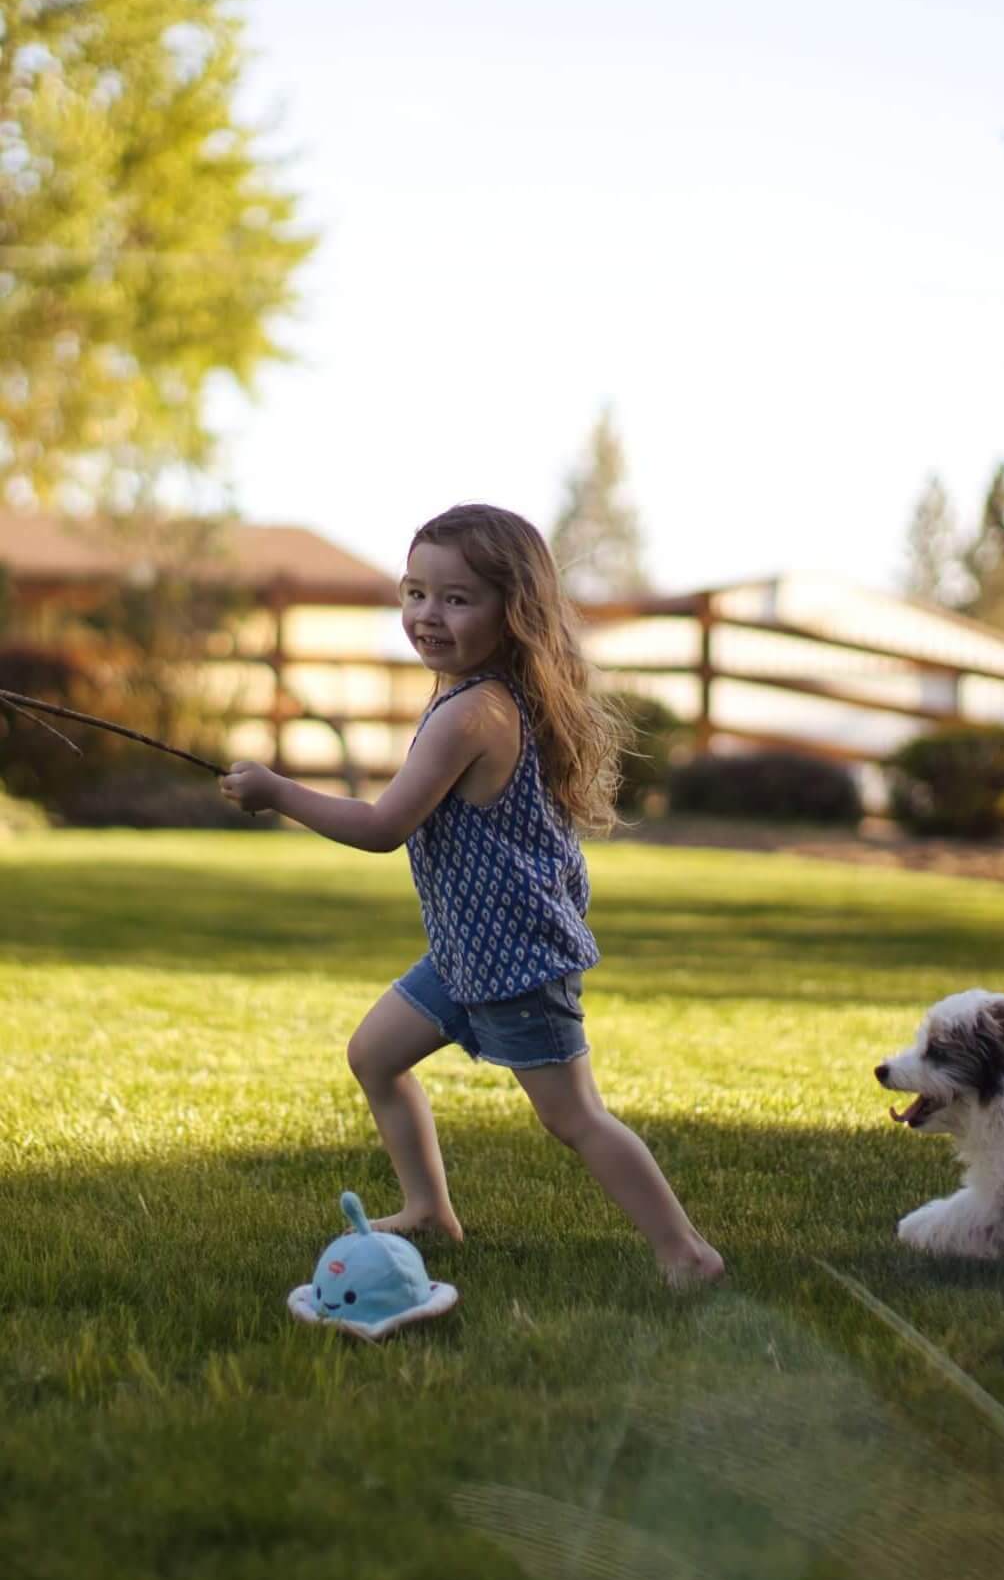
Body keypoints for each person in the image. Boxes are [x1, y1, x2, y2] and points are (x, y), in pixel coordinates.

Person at [220, 503, 724, 1287]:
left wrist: (278, 792)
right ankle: (428, 1210)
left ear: (512, 612)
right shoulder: (471, 693)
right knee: (375, 1056)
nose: (428, 615)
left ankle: (686, 1254)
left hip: (516, 960)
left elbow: (385, 826)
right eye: (415, 592)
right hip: (467, 952)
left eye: (456, 598)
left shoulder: (473, 712)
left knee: (573, 1117)